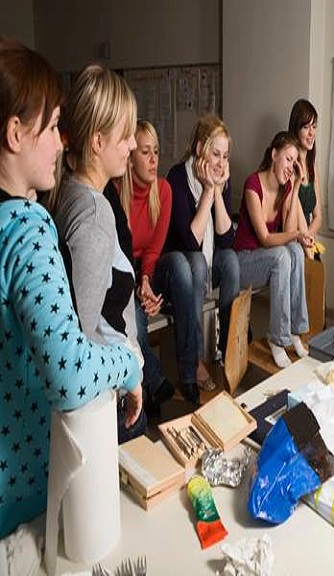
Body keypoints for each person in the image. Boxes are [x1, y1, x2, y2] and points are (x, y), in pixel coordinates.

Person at [0, 38, 140, 570]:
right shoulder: (27, 229)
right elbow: (71, 370)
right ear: (16, 133)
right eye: (53, 126)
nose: (62, 142)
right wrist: (129, 363)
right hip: (23, 498)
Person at [47, 64, 146, 443]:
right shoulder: (93, 213)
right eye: (126, 136)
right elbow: (80, 339)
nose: (132, 145)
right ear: (98, 141)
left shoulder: (71, 190)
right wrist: (128, 374)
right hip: (107, 399)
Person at [165, 115, 240, 403]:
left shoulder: (222, 180)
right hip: (182, 272)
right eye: (215, 154)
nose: (221, 163)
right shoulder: (177, 177)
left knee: (230, 259)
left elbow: (226, 240)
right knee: (196, 261)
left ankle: (228, 349)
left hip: (208, 264)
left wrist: (218, 190)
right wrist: (209, 190)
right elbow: (190, 242)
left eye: (225, 156)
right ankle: (194, 359)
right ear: (199, 149)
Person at [234, 131, 312, 369]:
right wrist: (297, 234)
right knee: (282, 254)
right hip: (243, 261)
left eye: (294, 162)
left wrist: (295, 187)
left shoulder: (285, 188)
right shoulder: (252, 185)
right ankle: (277, 338)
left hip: (268, 260)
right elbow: (266, 238)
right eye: (288, 159)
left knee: (295, 251)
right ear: (274, 154)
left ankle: (294, 331)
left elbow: (287, 231)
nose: (290, 167)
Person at [117, 120, 175, 417]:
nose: (153, 160)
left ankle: (154, 383)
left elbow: (153, 249)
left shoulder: (163, 191)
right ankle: (152, 381)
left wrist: (147, 281)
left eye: (156, 152)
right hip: (120, 268)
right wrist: (138, 285)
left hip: (146, 267)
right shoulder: (116, 192)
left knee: (178, 268)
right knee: (136, 320)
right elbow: (119, 255)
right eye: (145, 152)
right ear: (130, 158)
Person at [288, 98, 322, 259]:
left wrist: (307, 236)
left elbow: (318, 217)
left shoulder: (312, 167)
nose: (311, 133)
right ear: (296, 129)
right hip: (291, 242)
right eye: (306, 127)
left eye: (314, 127)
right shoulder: (289, 167)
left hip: (307, 239)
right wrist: (304, 240)